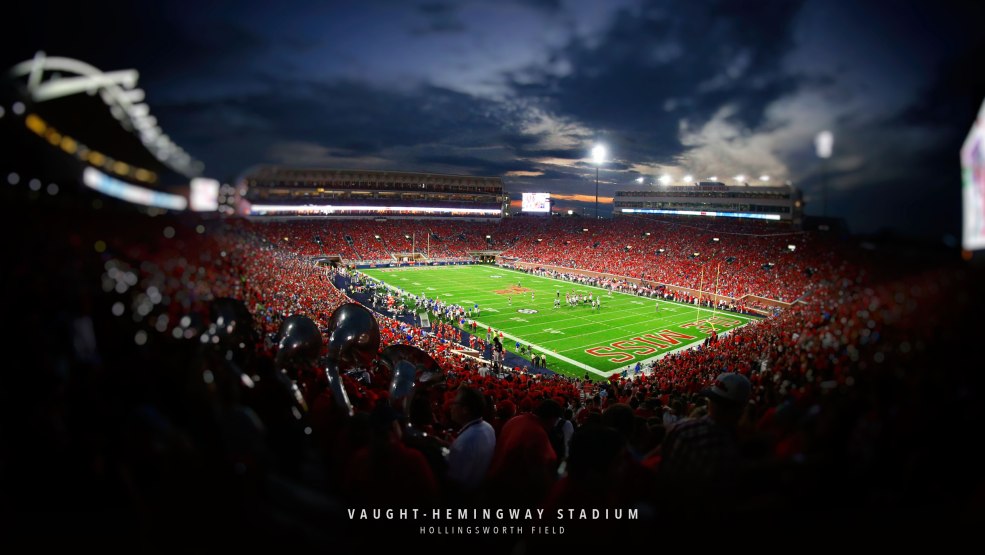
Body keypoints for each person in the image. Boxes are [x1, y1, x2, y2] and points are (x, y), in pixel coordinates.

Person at [446, 386, 496, 499]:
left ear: (465, 409)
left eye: (455, 403)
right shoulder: (488, 428)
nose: (451, 406)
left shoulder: (464, 443)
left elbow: (453, 483)